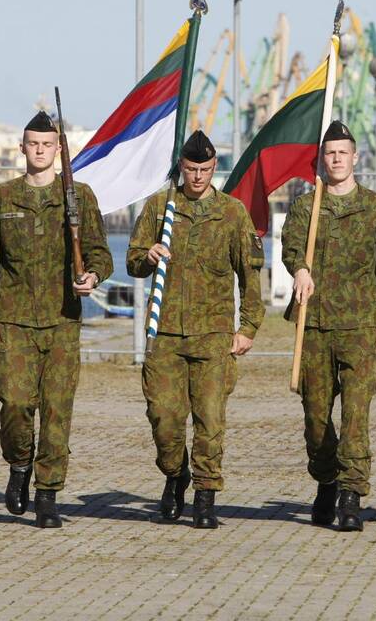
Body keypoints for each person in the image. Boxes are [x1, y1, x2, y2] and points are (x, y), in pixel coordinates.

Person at [0, 110, 113, 529]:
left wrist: (92, 276)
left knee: (56, 412)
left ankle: (48, 493)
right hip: (13, 322)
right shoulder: (2, 197)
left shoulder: (79, 196)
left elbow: (100, 252)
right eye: (33, 144)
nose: (39, 151)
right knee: (15, 405)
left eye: (47, 145)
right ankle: (19, 465)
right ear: (22, 148)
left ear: (58, 149)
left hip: (62, 322)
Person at [127, 130, 265, 529]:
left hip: (213, 335)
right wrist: (147, 255)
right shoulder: (159, 207)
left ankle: (205, 496)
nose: (198, 177)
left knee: (209, 420)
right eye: (191, 169)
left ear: (214, 168)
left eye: (204, 170)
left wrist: (249, 326)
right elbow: (134, 262)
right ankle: (175, 474)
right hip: (166, 334)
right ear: (181, 168)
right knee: (164, 419)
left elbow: (250, 275)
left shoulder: (232, 213)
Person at [280, 120, 376, 532]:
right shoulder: (305, 206)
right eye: (329, 153)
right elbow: (292, 247)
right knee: (315, 418)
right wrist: (298, 268)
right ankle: (327, 479)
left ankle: (352, 494)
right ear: (322, 158)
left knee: (355, 415)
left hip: (359, 326)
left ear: (355, 158)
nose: (336, 159)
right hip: (313, 326)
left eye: (342, 152)